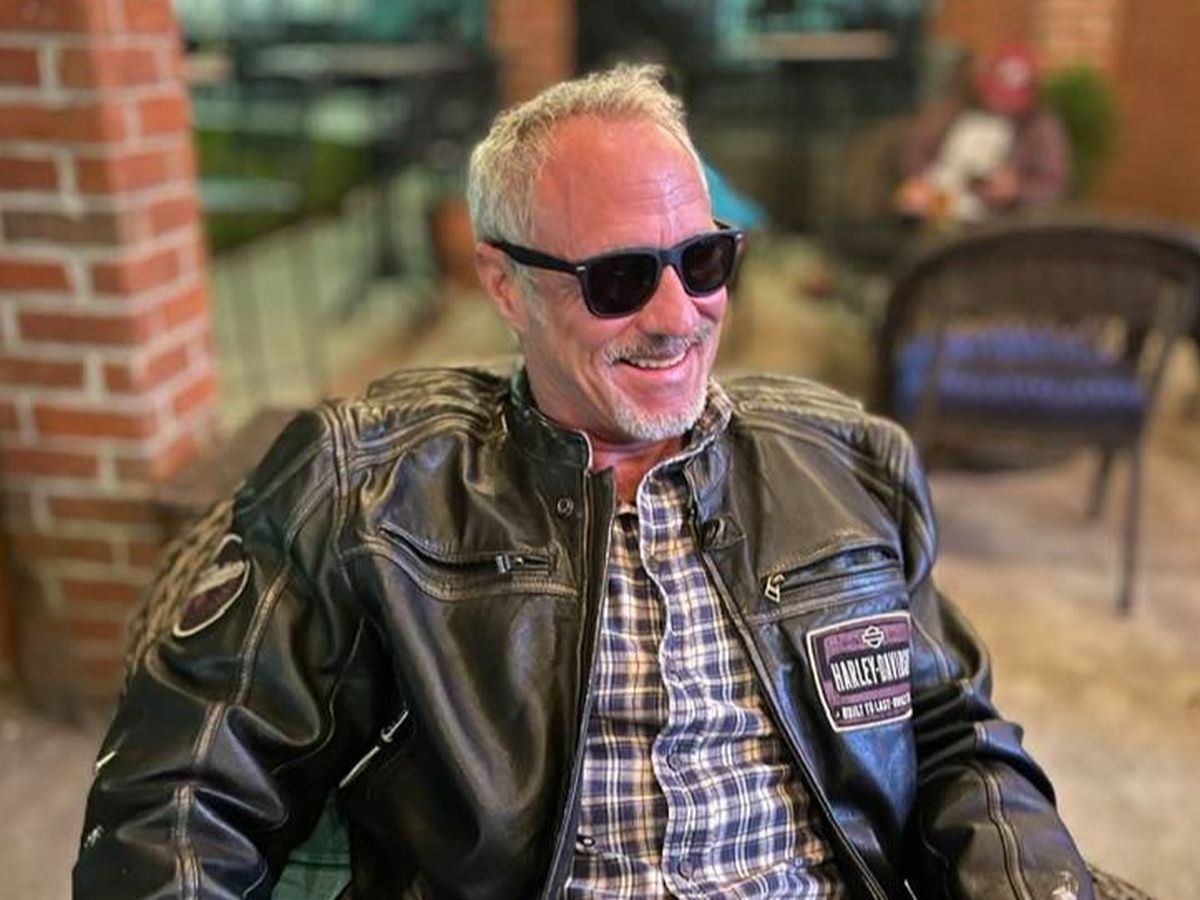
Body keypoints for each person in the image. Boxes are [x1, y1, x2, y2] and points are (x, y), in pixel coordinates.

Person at [75, 64, 1094, 899]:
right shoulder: (368, 487)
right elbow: (181, 798)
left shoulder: (846, 464)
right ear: (503, 282)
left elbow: (953, 741)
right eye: (619, 278)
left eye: (703, 260)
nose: (678, 315)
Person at [896, 43, 1071, 227]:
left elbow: (1054, 187)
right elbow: (914, 152)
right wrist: (921, 182)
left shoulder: (1043, 129)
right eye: (998, 94)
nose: (1002, 105)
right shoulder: (951, 112)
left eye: (1012, 97)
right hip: (942, 210)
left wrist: (1016, 188)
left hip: (1004, 226)